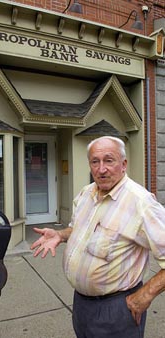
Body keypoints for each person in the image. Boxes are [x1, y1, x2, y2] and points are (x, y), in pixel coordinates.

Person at [30, 135, 165, 338]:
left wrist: (144, 296)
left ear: (123, 164)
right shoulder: (86, 194)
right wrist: (60, 234)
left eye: (109, 160)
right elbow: (77, 229)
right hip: (82, 305)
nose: (101, 169)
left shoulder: (141, 203)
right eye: (95, 161)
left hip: (117, 310)